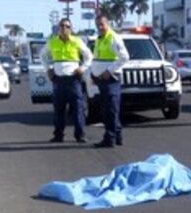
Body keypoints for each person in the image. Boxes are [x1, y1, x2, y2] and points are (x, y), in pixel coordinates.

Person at [41, 18, 93, 143]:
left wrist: (83, 68)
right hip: (58, 81)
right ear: (58, 28)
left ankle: (80, 135)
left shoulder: (77, 41)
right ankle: (58, 135)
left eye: (67, 26)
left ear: (71, 28)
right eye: (62, 26)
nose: (64, 28)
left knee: (78, 109)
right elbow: (42, 55)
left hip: (73, 80)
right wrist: (48, 69)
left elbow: (89, 56)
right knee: (59, 110)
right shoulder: (52, 42)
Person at [90, 14, 129, 148]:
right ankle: (117, 135)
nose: (100, 27)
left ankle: (109, 138)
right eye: (98, 25)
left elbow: (124, 57)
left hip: (111, 79)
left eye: (102, 24)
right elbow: (97, 59)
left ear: (108, 24)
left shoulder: (113, 38)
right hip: (102, 80)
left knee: (110, 110)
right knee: (109, 109)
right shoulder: (99, 39)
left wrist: (109, 71)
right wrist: (94, 73)